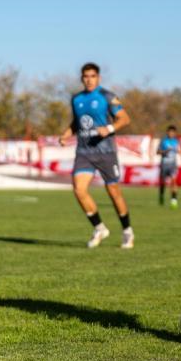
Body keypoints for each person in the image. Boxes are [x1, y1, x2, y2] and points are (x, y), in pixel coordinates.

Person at [59, 62, 135, 249]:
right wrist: (66, 134)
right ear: (81, 78)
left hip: (105, 152)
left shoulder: (107, 96)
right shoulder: (76, 99)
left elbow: (125, 119)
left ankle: (127, 231)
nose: (89, 79)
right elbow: (77, 123)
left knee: (114, 193)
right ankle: (99, 228)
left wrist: (108, 128)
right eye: (86, 76)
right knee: (79, 189)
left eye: (93, 76)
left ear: (98, 78)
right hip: (84, 152)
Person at [157, 125, 181, 208]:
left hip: (173, 165)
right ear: (167, 132)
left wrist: (178, 152)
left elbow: (179, 151)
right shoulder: (163, 141)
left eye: (173, 132)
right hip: (164, 165)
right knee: (163, 183)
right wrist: (164, 152)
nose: (171, 133)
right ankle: (161, 195)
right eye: (170, 132)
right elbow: (157, 151)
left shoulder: (176, 142)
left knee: (174, 182)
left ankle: (173, 200)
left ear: (175, 133)